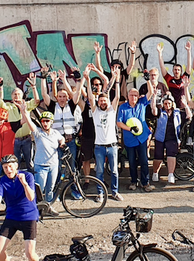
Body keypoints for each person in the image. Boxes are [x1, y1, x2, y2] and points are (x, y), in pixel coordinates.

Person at [0, 154, 40, 261]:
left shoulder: (27, 176)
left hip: (29, 217)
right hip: (12, 217)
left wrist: (24, 184)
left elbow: (31, 197)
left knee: (30, 254)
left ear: (16, 166)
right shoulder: (2, 181)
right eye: (5, 167)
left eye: (10, 166)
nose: (8, 170)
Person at [0, 70, 40, 172]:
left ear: (22, 95)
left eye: (19, 94)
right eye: (14, 94)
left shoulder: (27, 105)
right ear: (11, 96)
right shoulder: (8, 106)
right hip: (14, 140)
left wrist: (34, 86)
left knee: (30, 163)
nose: (17, 96)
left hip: (27, 139)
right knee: (15, 163)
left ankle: (31, 182)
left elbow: (37, 101)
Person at [21, 108, 65, 215]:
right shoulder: (38, 133)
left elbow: (61, 138)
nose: (45, 123)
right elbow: (31, 124)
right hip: (41, 166)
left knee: (50, 189)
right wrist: (25, 113)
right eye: (43, 121)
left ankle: (48, 207)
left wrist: (62, 143)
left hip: (53, 165)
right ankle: (35, 210)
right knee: (38, 191)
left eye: (47, 121)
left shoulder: (55, 133)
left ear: (51, 122)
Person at [90, 67, 123, 200]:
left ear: (108, 102)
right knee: (99, 171)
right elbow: (91, 97)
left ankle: (114, 192)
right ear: (98, 102)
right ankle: (100, 193)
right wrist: (87, 78)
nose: (103, 102)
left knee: (114, 170)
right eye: (101, 101)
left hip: (112, 146)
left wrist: (116, 80)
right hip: (99, 146)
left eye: (105, 101)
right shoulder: (95, 111)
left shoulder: (111, 111)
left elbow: (118, 96)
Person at [117, 81, 155, 192]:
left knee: (144, 161)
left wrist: (148, 81)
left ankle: (145, 182)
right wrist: (130, 129)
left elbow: (151, 92)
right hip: (129, 140)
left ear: (138, 96)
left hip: (141, 138)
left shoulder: (142, 103)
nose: (133, 97)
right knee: (132, 162)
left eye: (135, 95)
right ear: (128, 96)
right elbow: (119, 123)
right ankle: (133, 181)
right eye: (131, 95)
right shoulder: (123, 108)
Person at [41, 70, 82, 167]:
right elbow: (44, 94)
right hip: (56, 140)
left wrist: (78, 79)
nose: (62, 99)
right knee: (57, 165)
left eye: (64, 96)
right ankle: (57, 182)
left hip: (70, 140)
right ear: (57, 97)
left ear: (67, 97)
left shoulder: (71, 106)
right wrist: (43, 78)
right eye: (60, 96)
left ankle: (74, 182)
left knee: (73, 165)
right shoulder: (52, 106)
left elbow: (78, 93)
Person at [155, 42, 192, 140]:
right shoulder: (169, 79)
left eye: (178, 70)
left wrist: (189, 51)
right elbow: (162, 67)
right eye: (175, 70)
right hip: (173, 109)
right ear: (173, 70)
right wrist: (160, 53)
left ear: (180, 71)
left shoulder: (184, 78)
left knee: (184, 131)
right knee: (174, 130)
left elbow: (189, 67)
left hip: (183, 109)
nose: (176, 71)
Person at [151, 92, 182, 185]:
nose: (167, 105)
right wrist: (153, 98)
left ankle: (171, 174)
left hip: (172, 137)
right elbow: (153, 110)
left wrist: (185, 105)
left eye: (169, 103)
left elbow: (189, 116)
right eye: (165, 103)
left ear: (172, 104)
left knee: (171, 156)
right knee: (158, 157)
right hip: (160, 137)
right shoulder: (161, 112)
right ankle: (155, 172)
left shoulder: (177, 112)